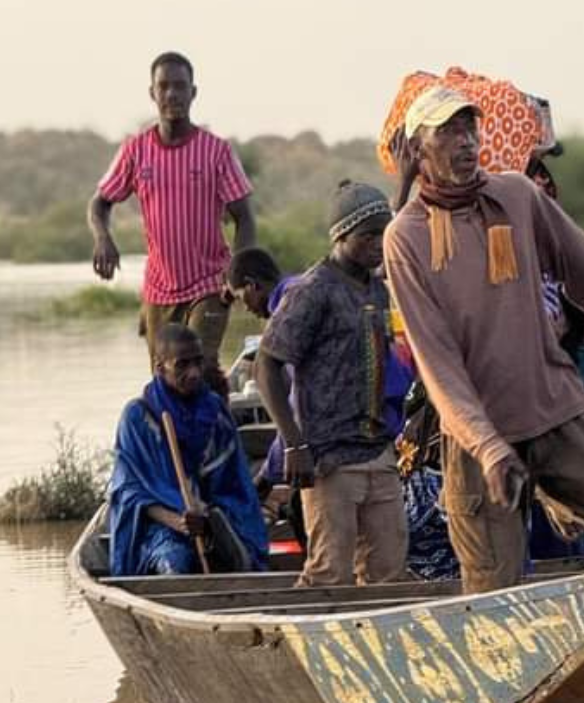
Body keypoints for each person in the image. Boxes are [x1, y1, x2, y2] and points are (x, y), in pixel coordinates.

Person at [384, 87, 584, 594]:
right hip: (477, 438)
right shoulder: (406, 236)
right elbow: (437, 362)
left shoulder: (516, 195)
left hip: (553, 406)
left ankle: (554, 494)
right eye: (449, 132)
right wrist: (488, 448)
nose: (466, 142)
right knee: (491, 587)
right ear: (420, 150)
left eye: (470, 129)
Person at [256, 182, 409, 587]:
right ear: (341, 235)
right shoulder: (314, 290)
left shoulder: (376, 287)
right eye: (368, 235)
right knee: (329, 574)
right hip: (329, 457)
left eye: (384, 233)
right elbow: (267, 366)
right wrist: (293, 443)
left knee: (388, 574)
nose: (379, 244)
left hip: (377, 452)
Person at [88, 52, 256, 382]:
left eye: (180, 87)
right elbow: (100, 203)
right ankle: (171, 435)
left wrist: (236, 274)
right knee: (164, 379)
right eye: (163, 87)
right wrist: (103, 238)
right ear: (152, 93)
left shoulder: (215, 151)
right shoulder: (135, 151)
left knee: (199, 369)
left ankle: (216, 432)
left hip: (208, 284)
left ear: (193, 92)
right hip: (159, 290)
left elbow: (245, 217)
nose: (171, 95)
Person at [107, 323, 268, 576]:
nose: (193, 373)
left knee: (244, 557)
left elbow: (236, 484)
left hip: (218, 522)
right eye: (182, 365)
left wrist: (211, 519)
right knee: (175, 562)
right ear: (160, 367)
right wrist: (179, 522)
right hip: (160, 527)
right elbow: (129, 492)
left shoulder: (216, 411)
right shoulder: (138, 416)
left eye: (198, 362)